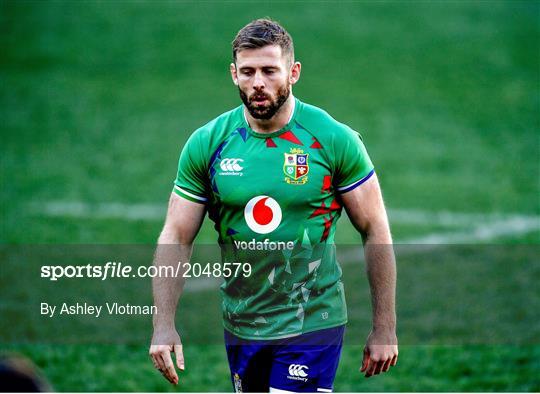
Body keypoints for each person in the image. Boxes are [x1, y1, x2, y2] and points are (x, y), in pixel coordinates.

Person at [149, 18, 397, 392]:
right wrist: (163, 324)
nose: (258, 83)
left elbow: (375, 228)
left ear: (293, 72)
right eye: (247, 72)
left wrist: (385, 327)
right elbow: (177, 235)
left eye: (269, 70)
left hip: (313, 319)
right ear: (233, 74)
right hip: (242, 322)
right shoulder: (208, 143)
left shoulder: (333, 139)